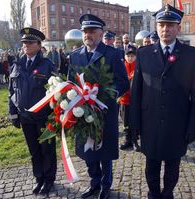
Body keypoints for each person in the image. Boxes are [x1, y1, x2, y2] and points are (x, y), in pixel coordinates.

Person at [130, 4, 195, 199]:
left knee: (173, 166)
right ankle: (153, 194)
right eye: (161, 24)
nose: (165, 29)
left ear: (178, 27)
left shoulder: (191, 55)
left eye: (170, 25)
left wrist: (194, 127)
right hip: (150, 122)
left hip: (176, 123)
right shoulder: (143, 53)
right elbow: (136, 91)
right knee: (151, 166)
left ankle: (167, 194)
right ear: (156, 26)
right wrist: (134, 125)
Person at [69, 14, 129, 199]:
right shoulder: (75, 55)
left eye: (92, 31)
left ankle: (105, 185)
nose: (88, 35)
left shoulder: (112, 54)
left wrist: (103, 97)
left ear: (100, 33)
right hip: (82, 113)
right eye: (85, 32)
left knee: (104, 151)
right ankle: (94, 183)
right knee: (87, 150)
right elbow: (71, 83)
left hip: (105, 111)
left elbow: (123, 82)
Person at [8, 27, 57, 195]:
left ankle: (49, 180)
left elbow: (57, 93)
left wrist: (55, 116)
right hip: (26, 117)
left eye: (30, 42)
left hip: (44, 117)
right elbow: (11, 92)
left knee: (47, 150)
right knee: (34, 150)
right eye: (24, 42)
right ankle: (39, 178)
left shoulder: (47, 65)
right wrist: (14, 114)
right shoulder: (17, 65)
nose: (26, 45)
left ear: (38, 44)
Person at [119, 47, 141, 152]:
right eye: (128, 56)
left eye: (132, 56)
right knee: (125, 121)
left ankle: (135, 141)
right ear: (125, 56)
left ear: (136, 56)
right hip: (124, 100)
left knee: (135, 120)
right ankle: (127, 140)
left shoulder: (139, 67)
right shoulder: (121, 67)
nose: (130, 58)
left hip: (135, 100)